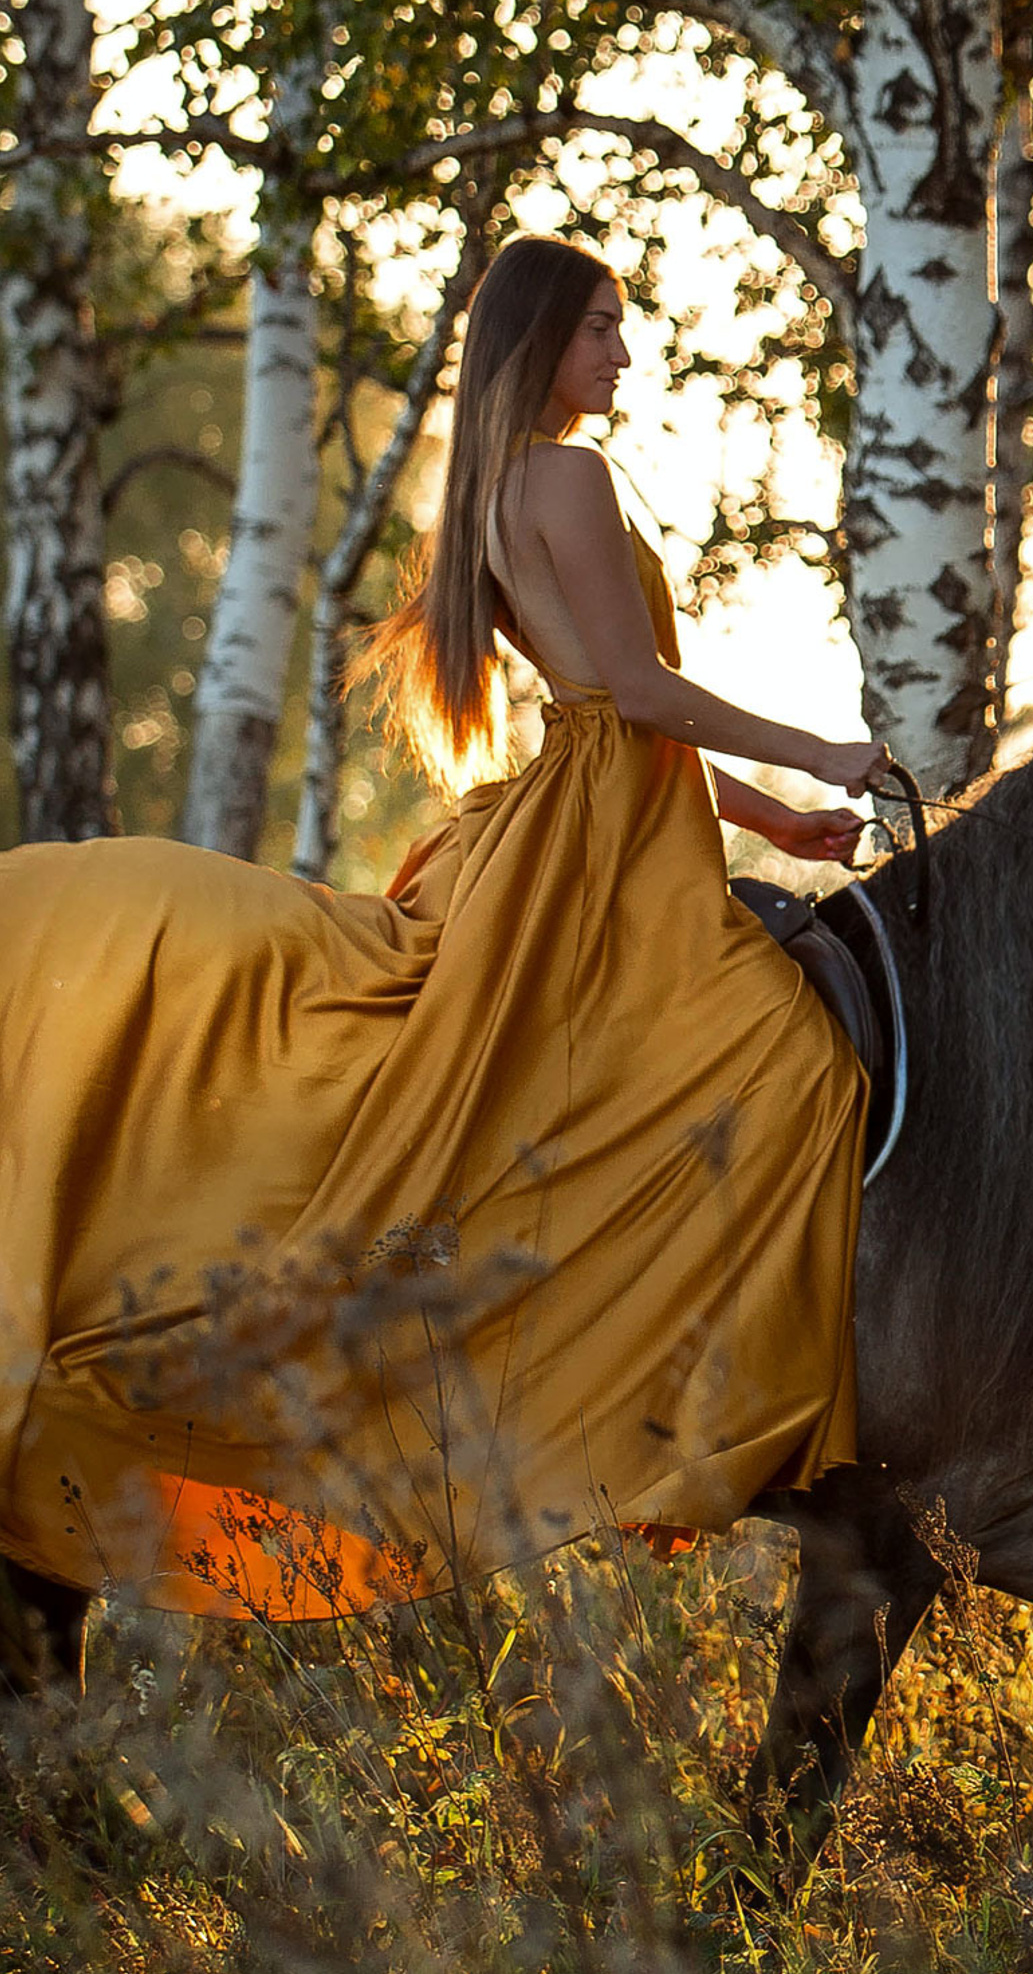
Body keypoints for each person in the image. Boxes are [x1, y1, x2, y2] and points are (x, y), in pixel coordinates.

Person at [0, 235, 882, 1620]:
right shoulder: (570, 477)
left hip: (603, 812)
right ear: (539, 338)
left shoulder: (488, 490)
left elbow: (605, 706)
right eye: (602, 329)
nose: (625, 356)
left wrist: (767, 829)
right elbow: (641, 695)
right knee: (796, 1068)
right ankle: (699, 1416)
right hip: (601, 843)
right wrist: (818, 756)